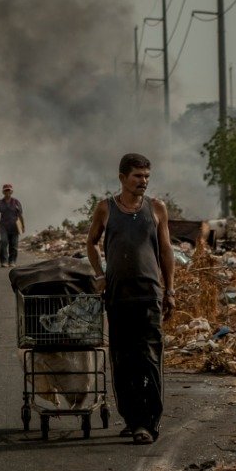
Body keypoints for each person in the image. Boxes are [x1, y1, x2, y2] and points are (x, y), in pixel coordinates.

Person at [86, 153, 175, 445]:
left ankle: (148, 422)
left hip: (149, 295)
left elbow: (165, 251)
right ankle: (132, 417)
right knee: (122, 360)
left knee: (150, 358)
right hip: (118, 296)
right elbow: (91, 242)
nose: (143, 182)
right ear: (123, 178)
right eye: (137, 176)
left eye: (147, 176)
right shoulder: (106, 209)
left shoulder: (157, 208)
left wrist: (170, 291)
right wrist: (100, 274)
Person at [0, 183, 25, 267]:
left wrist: (23, 226)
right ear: (3, 192)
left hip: (14, 226)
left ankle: (12, 261)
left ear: (11, 192)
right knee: (4, 242)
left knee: (13, 244)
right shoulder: (0, 203)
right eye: (6, 190)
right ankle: (4, 261)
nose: (7, 192)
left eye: (9, 190)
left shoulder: (16, 202)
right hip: (3, 226)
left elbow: (20, 215)